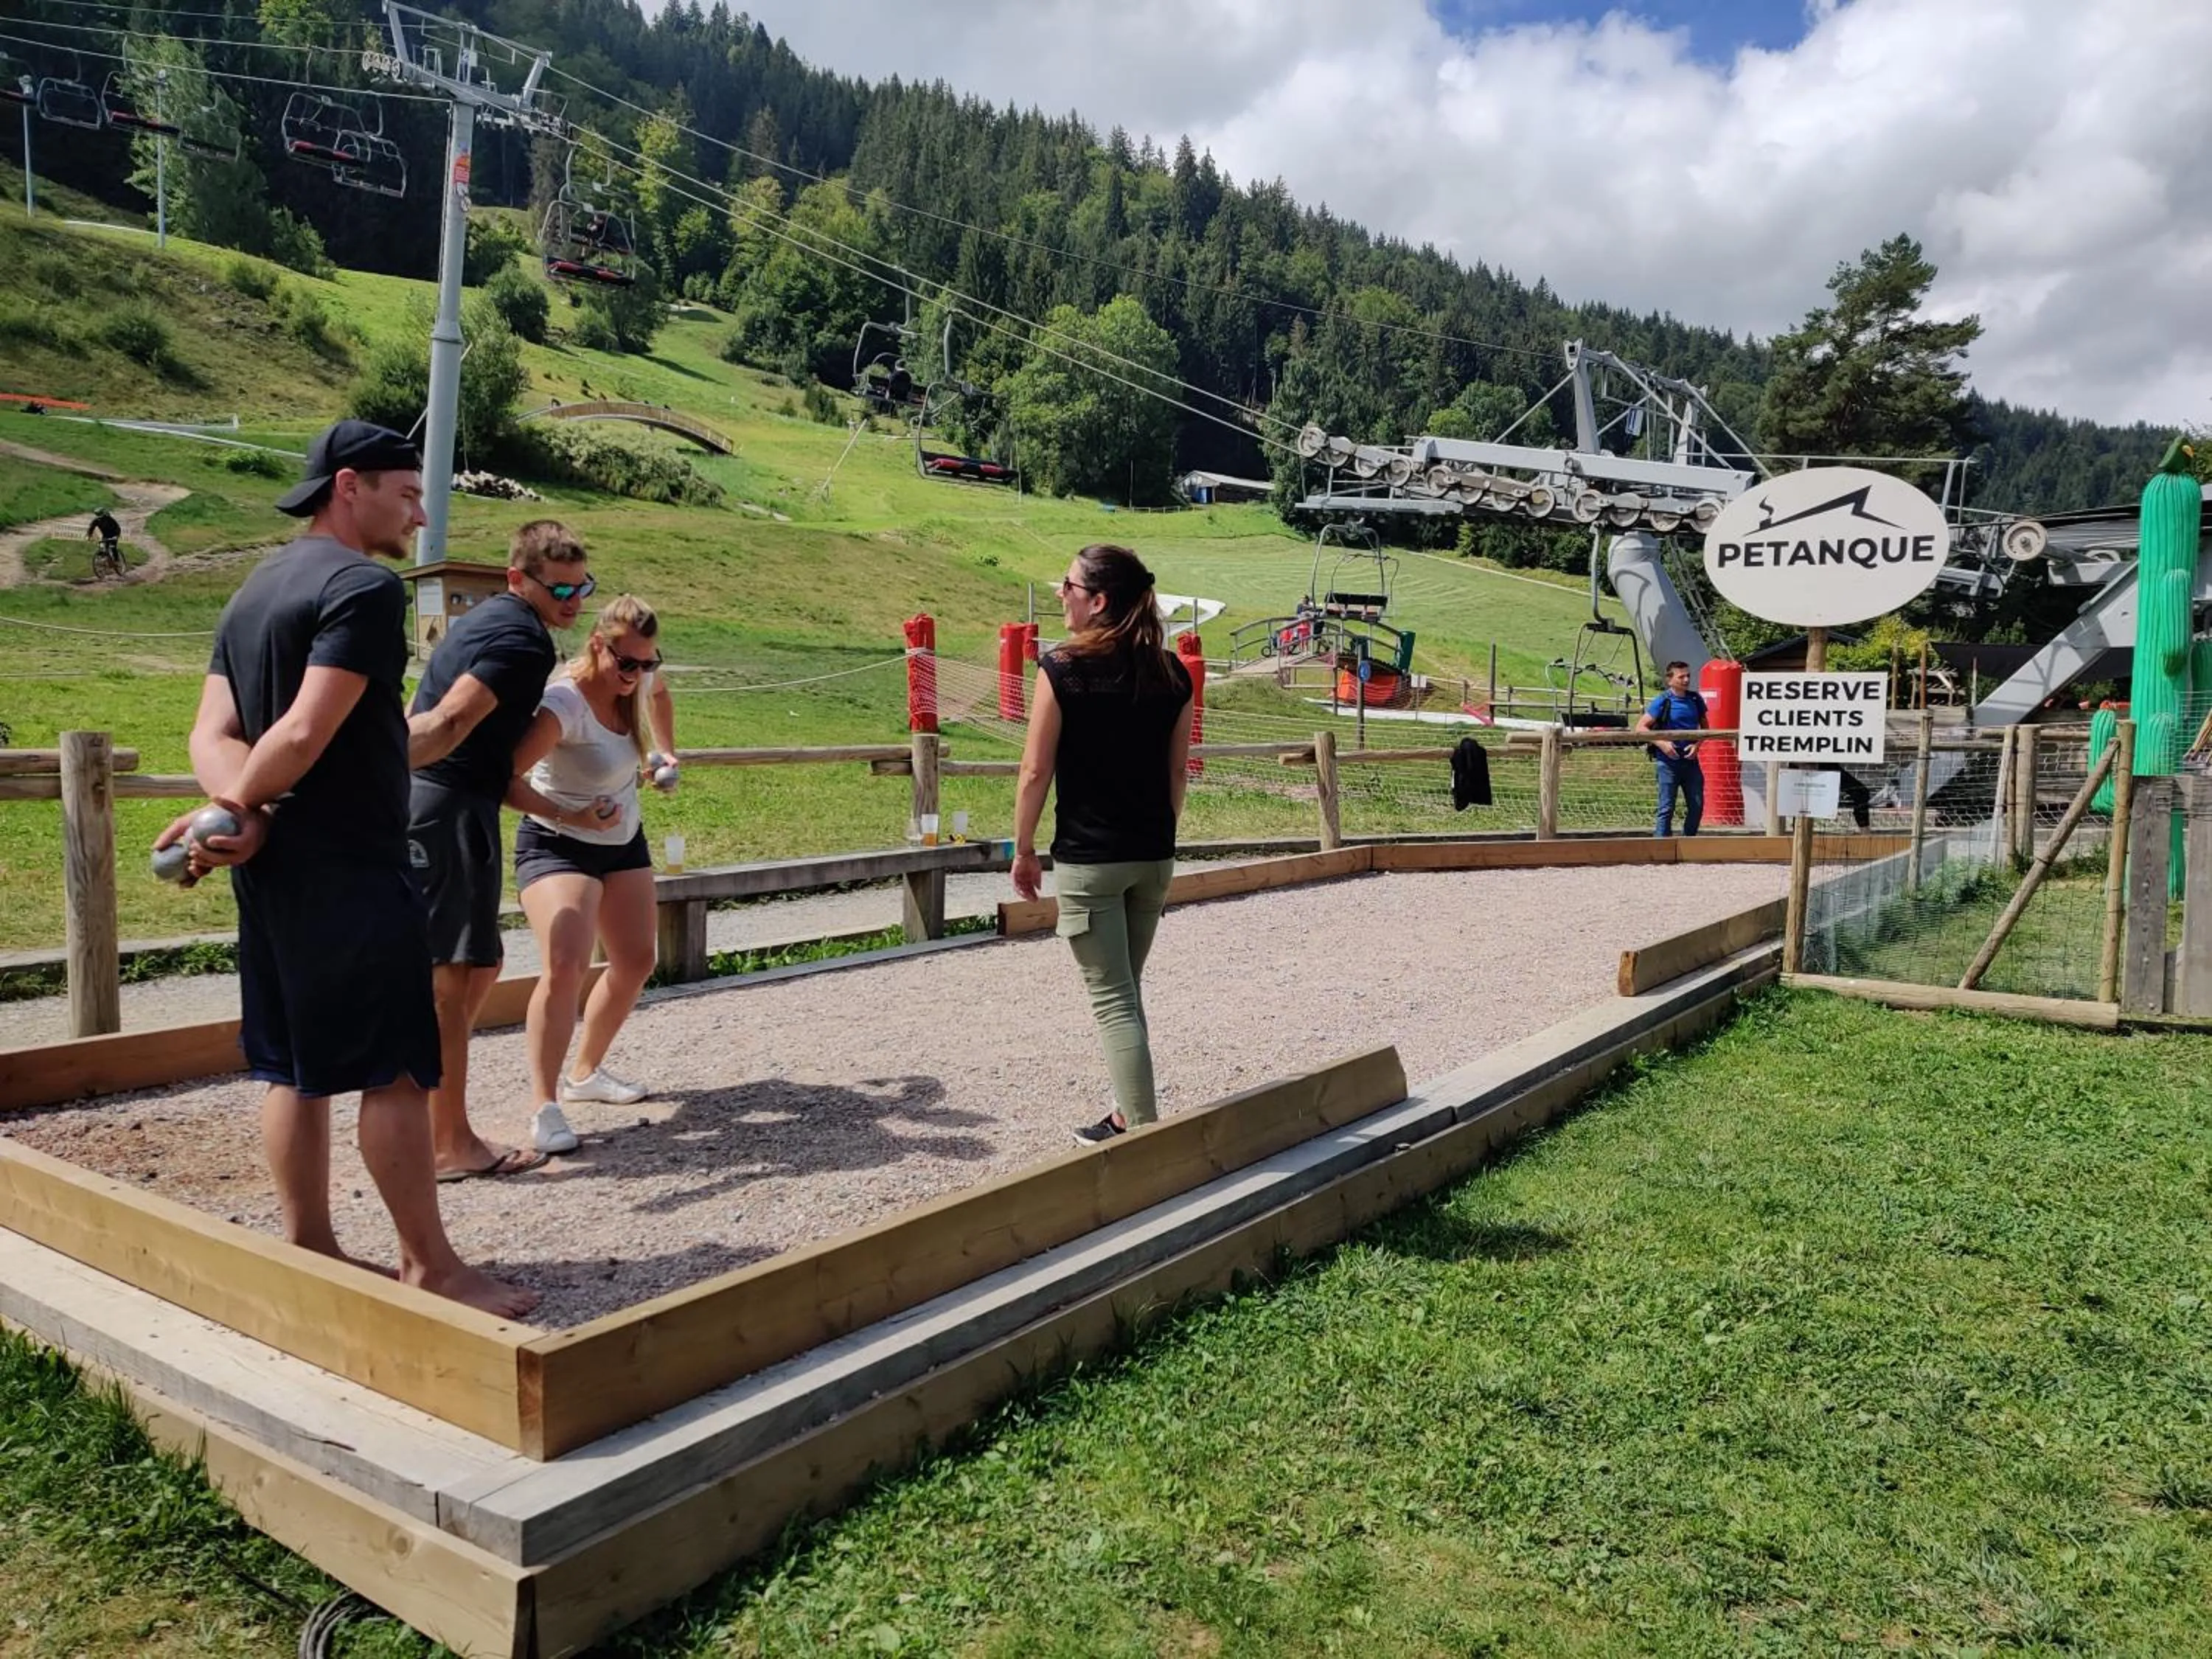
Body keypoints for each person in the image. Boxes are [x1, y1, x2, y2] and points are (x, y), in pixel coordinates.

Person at [153, 420, 537, 1318]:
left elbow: (213, 734)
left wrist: (237, 812)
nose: (419, 510)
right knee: (396, 1071)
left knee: (292, 1066)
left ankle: (311, 1246)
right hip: (355, 863)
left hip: (273, 868)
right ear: (349, 485)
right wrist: (247, 807)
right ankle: (430, 1268)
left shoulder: (254, 589)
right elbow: (301, 732)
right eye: (406, 493)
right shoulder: (364, 587)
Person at [405, 521, 599, 1180]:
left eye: (582, 587)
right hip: (445, 808)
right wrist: (365, 770)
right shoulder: (518, 639)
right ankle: (444, 1143)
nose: (572, 601)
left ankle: (432, 1125)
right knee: (451, 984)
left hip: (462, 803)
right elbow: (449, 720)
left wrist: (558, 809)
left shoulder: (491, 621)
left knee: (476, 971)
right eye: (560, 588)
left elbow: (482, 752)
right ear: (520, 579)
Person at [1011, 544, 1194, 1147]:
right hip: (1153, 858)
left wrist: (1023, 849)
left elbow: (1035, 771)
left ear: (1099, 600)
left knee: (1114, 1001)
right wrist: (1156, 835)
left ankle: (1145, 1142)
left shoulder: (1061, 668)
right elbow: (1177, 777)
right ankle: (1123, 1115)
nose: (1060, 593)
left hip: (1093, 863)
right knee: (1127, 989)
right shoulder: (1172, 673)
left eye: (1068, 585)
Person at [507, 595, 677, 1154]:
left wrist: (666, 756)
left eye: (648, 664)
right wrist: (569, 813)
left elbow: (662, 695)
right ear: (598, 647)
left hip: (621, 839)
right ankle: (543, 1103)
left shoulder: (640, 681)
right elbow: (505, 778)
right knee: (567, 961)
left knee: (636, 960)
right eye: (628, 664)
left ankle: (586, 1074)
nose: (639, 676)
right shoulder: (564, 702)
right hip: (556, 841)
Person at [1636, 659, 1708, 838]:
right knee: (1666, 807)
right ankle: (1661, 846)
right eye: (1681, 676)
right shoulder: (1662, 700)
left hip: (1691, 762)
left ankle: (1688, 842)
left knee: (1697, 805)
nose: (1686, 680)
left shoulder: (1695, 699)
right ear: (1669, 679)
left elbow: (1706, 727)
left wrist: (1697, 745)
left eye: (1688, 676)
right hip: (1668, 763)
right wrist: (1662, 743)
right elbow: (1641, 727)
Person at [85, 509, 122, 579]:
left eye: (101, 515)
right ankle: (104, 561)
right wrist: (89, 536)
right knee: (103, 548)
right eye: (98, 516)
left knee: (113, 547)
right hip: (105, 536)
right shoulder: (96, 520)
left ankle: (117, 561)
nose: (100, 518)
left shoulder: (109, 519)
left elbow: (117, 528)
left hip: (113, 535)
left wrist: (116, 536)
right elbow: (91, 528)